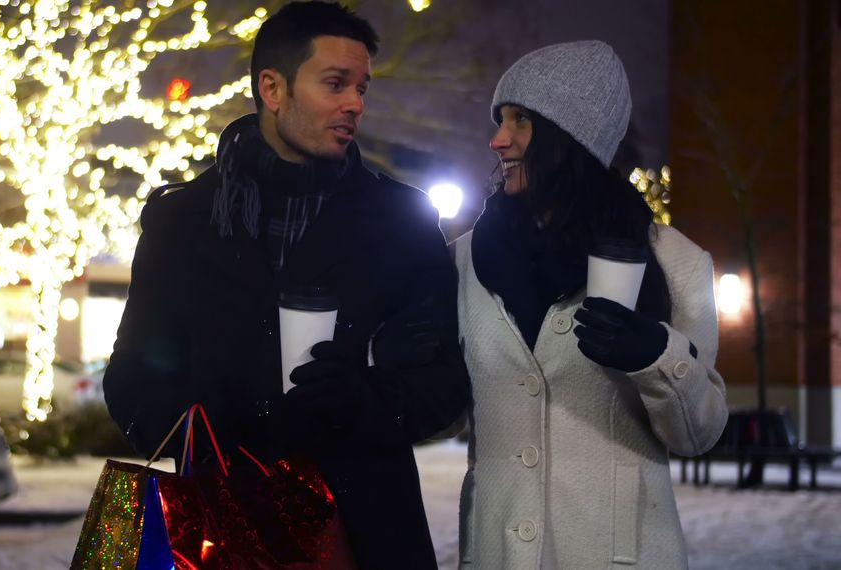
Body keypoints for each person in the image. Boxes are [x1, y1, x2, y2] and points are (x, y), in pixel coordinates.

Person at [102, 2, 470, 568]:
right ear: (272, 89)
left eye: (362, 88)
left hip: (362, 527)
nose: (355, 104)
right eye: (335, 84)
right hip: (218, 529)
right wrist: (202, 420)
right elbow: (132, 376)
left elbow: (441, 383)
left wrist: (361, 399)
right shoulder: (182, 219)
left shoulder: (401, 221)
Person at [453, 41, 728, 569]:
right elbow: (444, 417)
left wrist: (656, 354)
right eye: (499, 120)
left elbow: (700, 433)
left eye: (521, 122)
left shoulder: (675, 263)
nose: (498, 140)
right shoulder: (462, 261)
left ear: (572, 139)